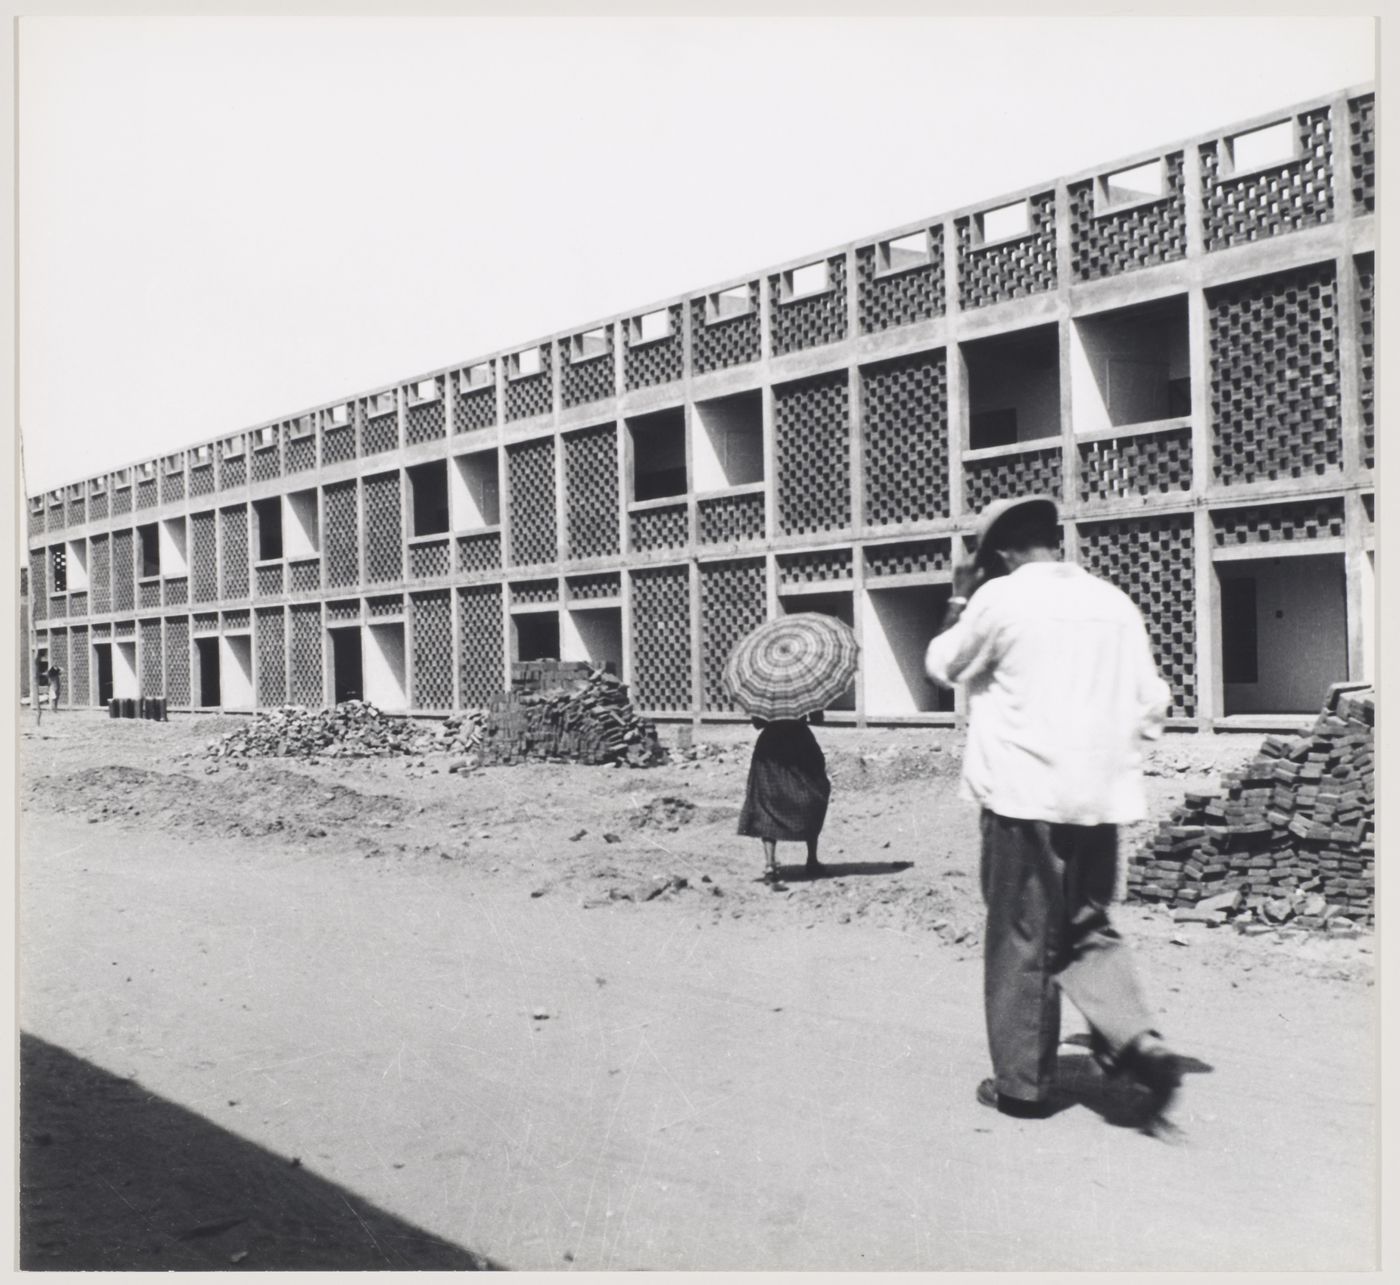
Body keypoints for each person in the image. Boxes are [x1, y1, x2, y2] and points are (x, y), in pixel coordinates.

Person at [924, 494, 1182, 1133]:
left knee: (1023, 934)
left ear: (999, 553)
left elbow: (943, 666)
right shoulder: (1112, 601)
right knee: (1087, 925)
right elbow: (1153, 702)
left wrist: (960, 597)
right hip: (1099, 798)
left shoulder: (999, 599)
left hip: (1023, 797)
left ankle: (1022, 1087)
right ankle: (1136, 1040)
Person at [737, 712, 830, 890]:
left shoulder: (766, 690)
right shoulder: (803, 686)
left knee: (767, 802)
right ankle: (812, 859)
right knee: (811, 798)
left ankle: (770, 864)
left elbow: (758, 723)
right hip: (801, 746)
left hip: (770, 749)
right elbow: (818, 719)